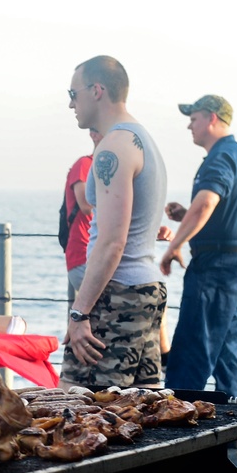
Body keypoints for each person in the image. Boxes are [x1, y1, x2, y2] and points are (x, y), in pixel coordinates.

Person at [60, 56, 168, 389]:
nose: (70, 103)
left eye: (73, 93)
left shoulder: (114, 147)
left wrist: (79, 313)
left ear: (97, 90)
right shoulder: (141, 139)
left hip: (119, 293)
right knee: (143, 409)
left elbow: (111, 242)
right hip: (146, 290)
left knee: (77, 409)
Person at [160, 94, 237, 399]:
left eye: (194, 118)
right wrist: (185, 215)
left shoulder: (220, 156)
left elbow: (206, 204)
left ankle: (176, 425)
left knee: (192, 347)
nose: (190, 125)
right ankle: (234, 418)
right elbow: (211, 210)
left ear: (212, 118)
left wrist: (175, 244)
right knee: (228, 345)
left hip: (215, 266)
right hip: (235, 261)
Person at [63, 129, 100, 302]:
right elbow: (86, 205)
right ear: (93, 134)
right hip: (83, 255)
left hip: (100, 255)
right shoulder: (84, 165)